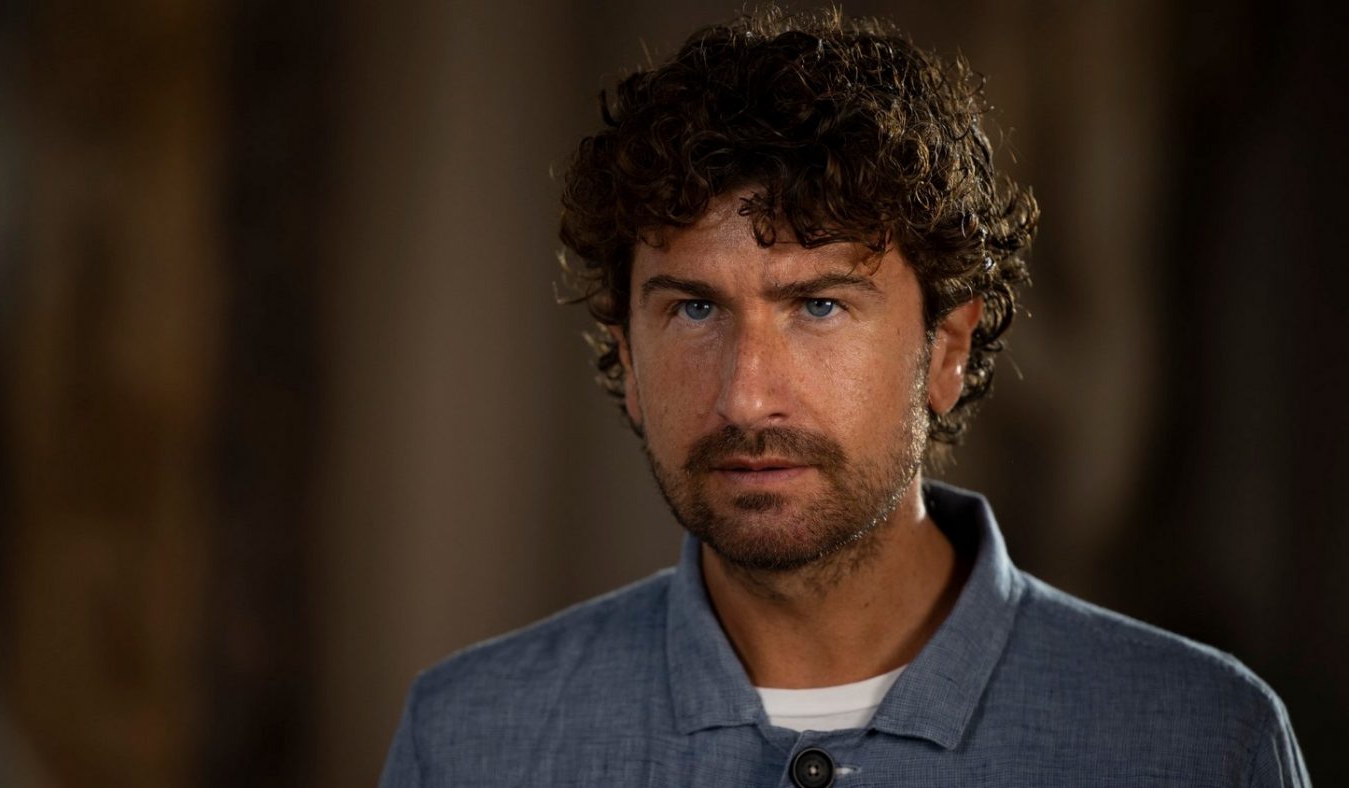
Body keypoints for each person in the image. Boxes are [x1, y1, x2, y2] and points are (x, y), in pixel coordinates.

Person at [380, 7, 1308, 786]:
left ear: (946, 349)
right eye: (695, 309)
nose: (747, 398)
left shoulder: (1203, 741)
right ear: (626, 356)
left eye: (819, 306)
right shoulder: (467, 740)